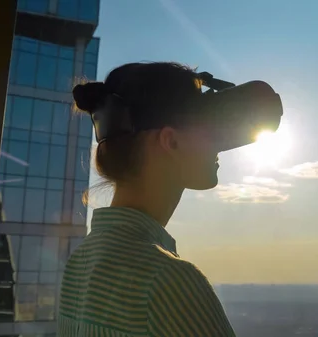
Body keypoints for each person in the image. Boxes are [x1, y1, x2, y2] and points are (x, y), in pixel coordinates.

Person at [58, 62, 236, 337]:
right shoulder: (170, 281)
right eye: (208, 123)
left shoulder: (80, 263)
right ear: (171, 142)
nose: (222, 141)